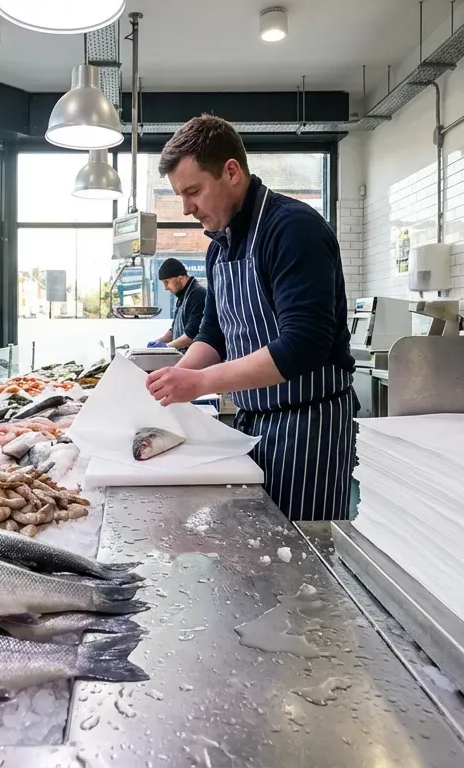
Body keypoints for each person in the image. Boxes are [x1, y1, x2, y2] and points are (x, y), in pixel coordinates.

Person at [144, 115, 357, 522]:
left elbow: (303, 345)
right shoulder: (218, 247)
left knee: (300, 565)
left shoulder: (293, 228)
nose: (187, 208)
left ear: (231, 171)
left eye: (193, 192)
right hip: (251, 423)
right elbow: (214, 332)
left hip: (309, 426)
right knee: (256, 553)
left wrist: (201, 382)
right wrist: (169, 384)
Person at [147, 257, 207, 350]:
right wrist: (159, 342)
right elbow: (174, 330)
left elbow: (191, 336)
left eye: (167, 282)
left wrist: (166, 347)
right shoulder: (182, 296)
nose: (166, 288)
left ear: (180, 278)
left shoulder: (198, 295)